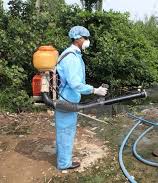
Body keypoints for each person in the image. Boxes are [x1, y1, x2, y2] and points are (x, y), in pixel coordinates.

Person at [55, 26, 107, 170]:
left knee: (63, 130)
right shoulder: (71, 57)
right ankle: (64, 163)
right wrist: (95, 90)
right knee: (66, 131)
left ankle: (61, 158)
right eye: (86, 38)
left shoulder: (73, 54)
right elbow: (75, 83)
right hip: (66, 99)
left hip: (66, 98)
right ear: (78, 38)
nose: (87, 41)